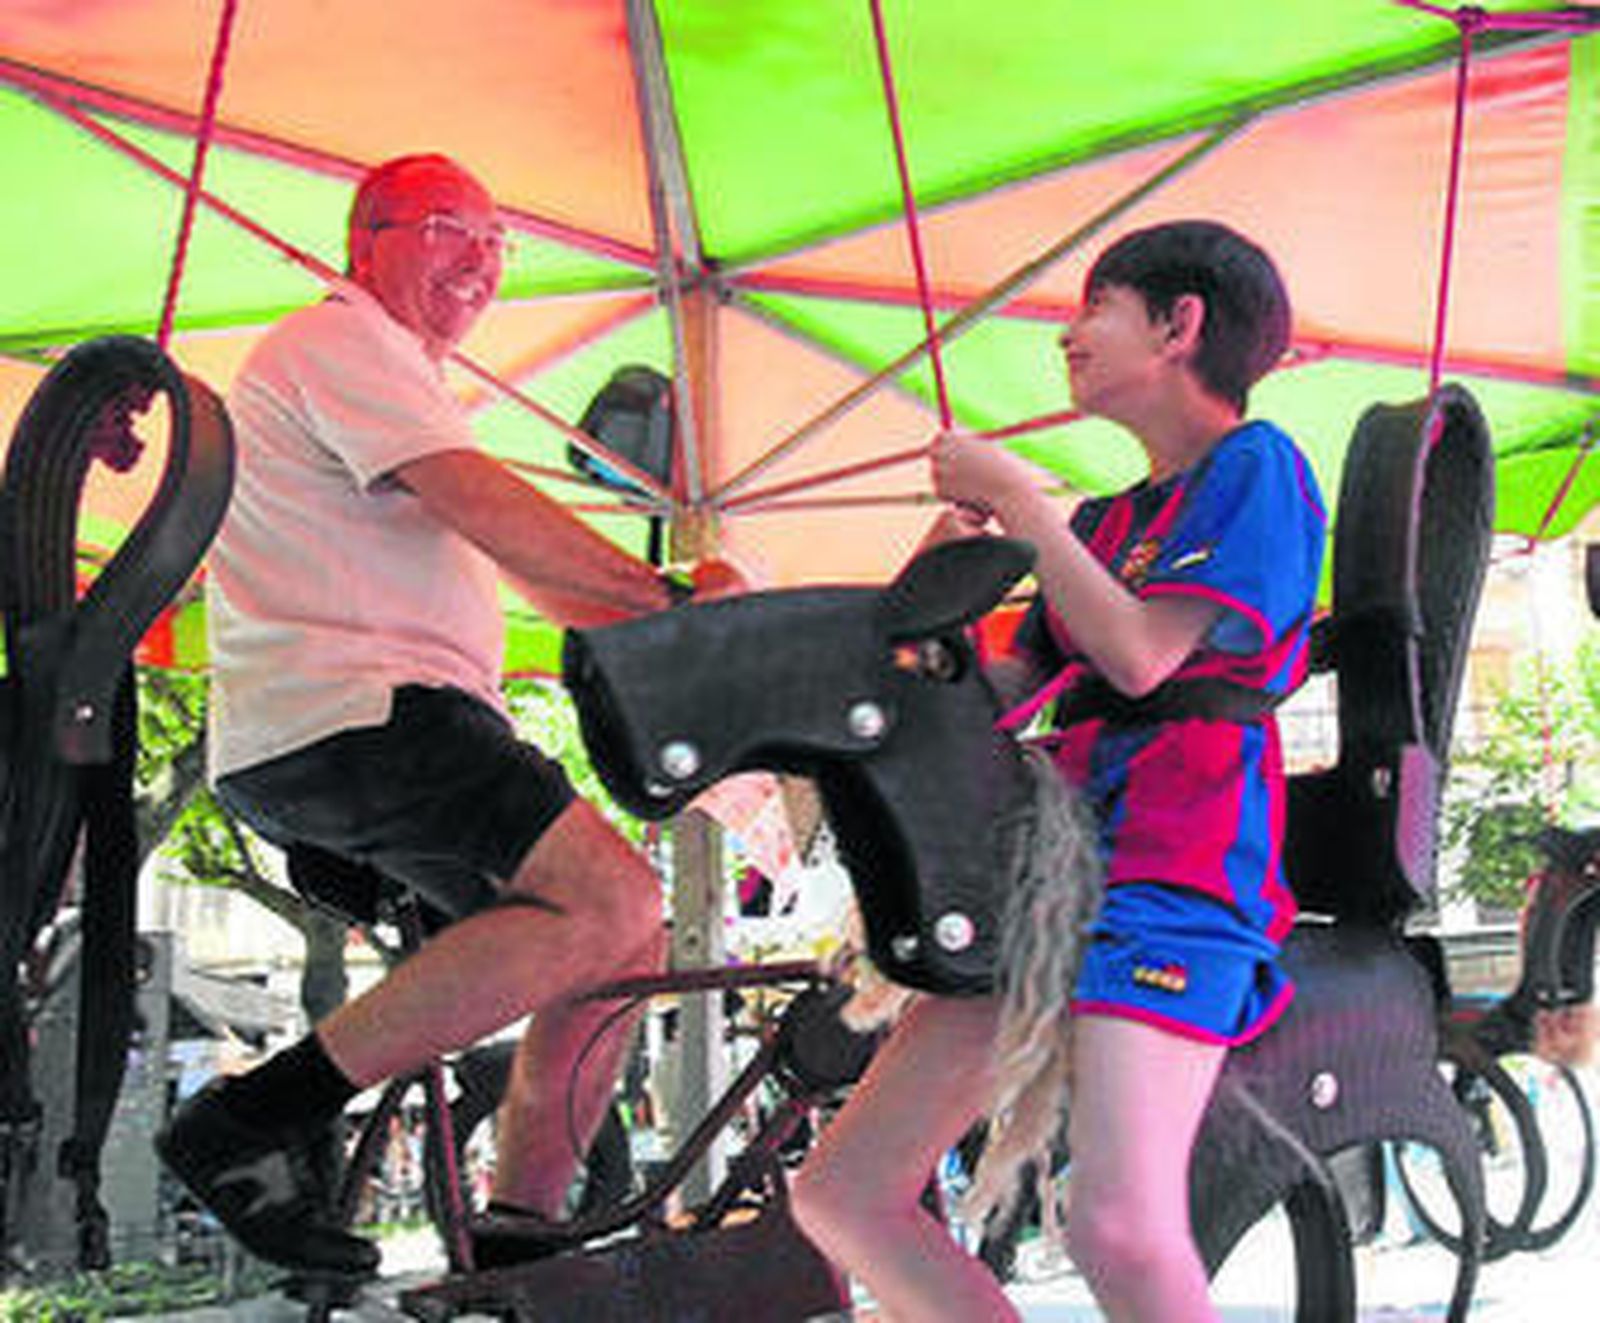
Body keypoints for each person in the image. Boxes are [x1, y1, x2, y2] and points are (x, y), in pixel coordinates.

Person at [156, 153, 713, 1277]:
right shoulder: (340, 341)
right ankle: (244, 1123)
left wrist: (683, 625)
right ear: (368, 243)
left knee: (615, 943)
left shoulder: (399, 384)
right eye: (450, 228)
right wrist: (668, 601)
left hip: (376, 725)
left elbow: (549, 587)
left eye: (500, 241)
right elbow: (489, 506)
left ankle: (519, 1242)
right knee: (616, 897)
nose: (482, 259)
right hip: (358, 714)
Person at [791, 219, 1326, 1322]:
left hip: (1171, 875)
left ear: (1180, 326)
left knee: (1117, 1226)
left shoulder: (1257, 467)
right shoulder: (1106, 521)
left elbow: (1137, 655)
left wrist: (1025, 512)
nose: (1068, 337)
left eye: (1096, 309)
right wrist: (934, 583)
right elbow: (988, 694)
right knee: (843, 1193)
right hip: (1039, 883)